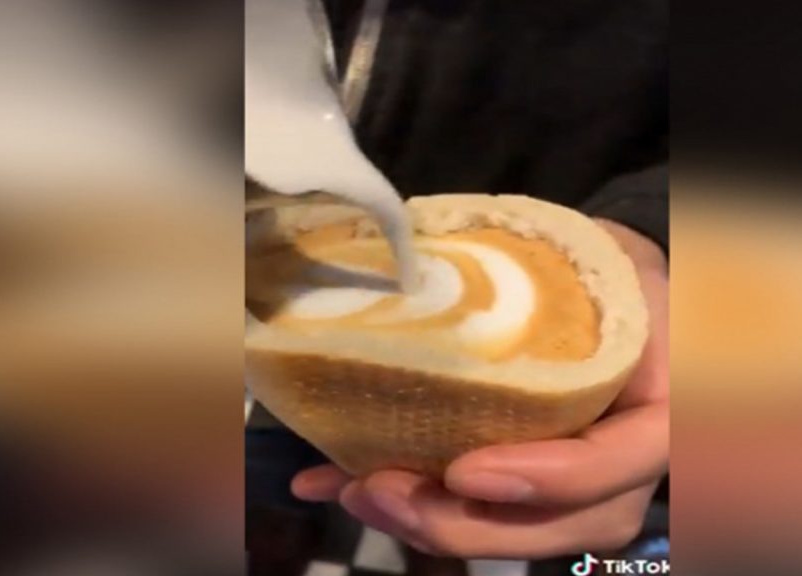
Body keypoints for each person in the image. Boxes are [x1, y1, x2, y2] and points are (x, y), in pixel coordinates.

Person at [247, 0, 668, 561]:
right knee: (276, 484)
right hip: (246, 373)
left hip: (569, 202)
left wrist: (652, 223)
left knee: (437, 511)